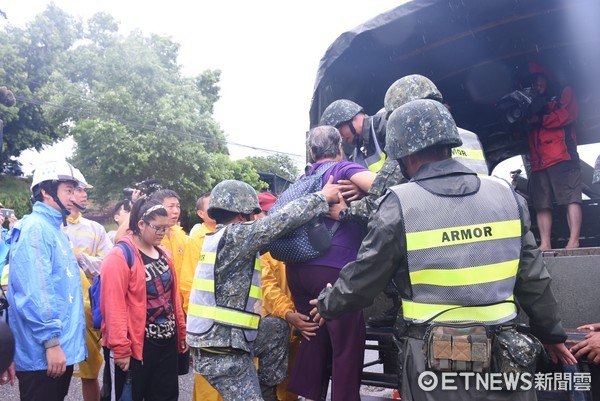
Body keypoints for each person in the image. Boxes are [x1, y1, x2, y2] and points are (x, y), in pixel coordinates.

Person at [310, 99, 577, 401]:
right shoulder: (507, 196)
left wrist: (327, 303)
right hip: (505, 354)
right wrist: (552, 335)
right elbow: (534, 280)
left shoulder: (399, 205)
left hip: (434, 362)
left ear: (401, 155)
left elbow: (364, 279)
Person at [186, 178, 340, 401]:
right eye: (254, 215)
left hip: (223, 340)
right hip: (223, 352)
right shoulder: (236, 237)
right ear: (242, 216)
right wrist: (322, 197)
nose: (258, 219)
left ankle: (267, 393)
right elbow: (281, 221)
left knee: (277, 328)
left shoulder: (220, 240)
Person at [284, 125, 375, 401]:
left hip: (297, 270)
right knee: (345, 343)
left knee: (314, 334)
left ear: (311, 152)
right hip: (333, 269)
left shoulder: (303, 179)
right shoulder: (343, 169)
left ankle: (309, 395)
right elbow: (385, 186)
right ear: (339, 148)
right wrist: (361, 195)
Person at [6, 160, 86, 401]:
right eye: (68, 190)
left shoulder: (53, 229)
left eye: (75, 190)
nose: (75, 197)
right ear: (46, 191)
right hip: (44, 354)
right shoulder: (35, 229)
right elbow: (35, 292)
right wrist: (51, 342)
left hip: (56, 351)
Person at [100, 197, 187, 401]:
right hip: (136, 346)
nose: (162, 233)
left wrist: (181, 333)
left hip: (165, 345)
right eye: (157, 228)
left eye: (165, 228)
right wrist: (120, 348)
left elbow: (172, 299)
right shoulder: (119, 256)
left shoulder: (163, 253)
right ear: (140, 224)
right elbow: (113, 306)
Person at [61, 168, 112, 401]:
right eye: (78, 190)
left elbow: (107, 265)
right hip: (60, 311)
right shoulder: (51, 227)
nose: (83, 195)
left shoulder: (95, 229)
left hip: (88, 310)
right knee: (53, 372)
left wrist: (79, 257)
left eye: (83, 190)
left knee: (90, 373)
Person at [524, 65, 581, 250]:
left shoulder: (563, 92)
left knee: (570, 198)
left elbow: (568, 115)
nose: (538, 83)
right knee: (542, 204)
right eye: (535, 80)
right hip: (538, 161)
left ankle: (574, 241)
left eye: (541, 79)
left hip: (561, 156)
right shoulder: (528, 101)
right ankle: (545, 243)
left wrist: (540, 119)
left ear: (549, 78)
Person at [257, 191, 307, 401]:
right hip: (272, 327)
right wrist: (289, 314)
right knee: (268, 383)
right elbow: (267, 286)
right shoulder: (260, 248)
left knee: (291, 385)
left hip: (296, 326)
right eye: (266, 214)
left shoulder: (293, 241)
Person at [180, 192, 222, 401]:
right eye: (210, 206)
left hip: (230, 322)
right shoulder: (196, 240)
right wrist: (196, 321)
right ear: (200, 213)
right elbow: (187, 283)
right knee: (207, 382)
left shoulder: (231, 232)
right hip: (206, 323)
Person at [319, 98, 387, 172]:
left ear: (352, 117)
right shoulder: (355, 157)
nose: (341, 138)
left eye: (339, 132)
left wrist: (373, 183)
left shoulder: (384, 125)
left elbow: (398, 168)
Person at [149, 189, 189, 279]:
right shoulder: (149, 237)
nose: (176, 211)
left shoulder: (181, 234)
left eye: (178, 206)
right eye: (171, 206)